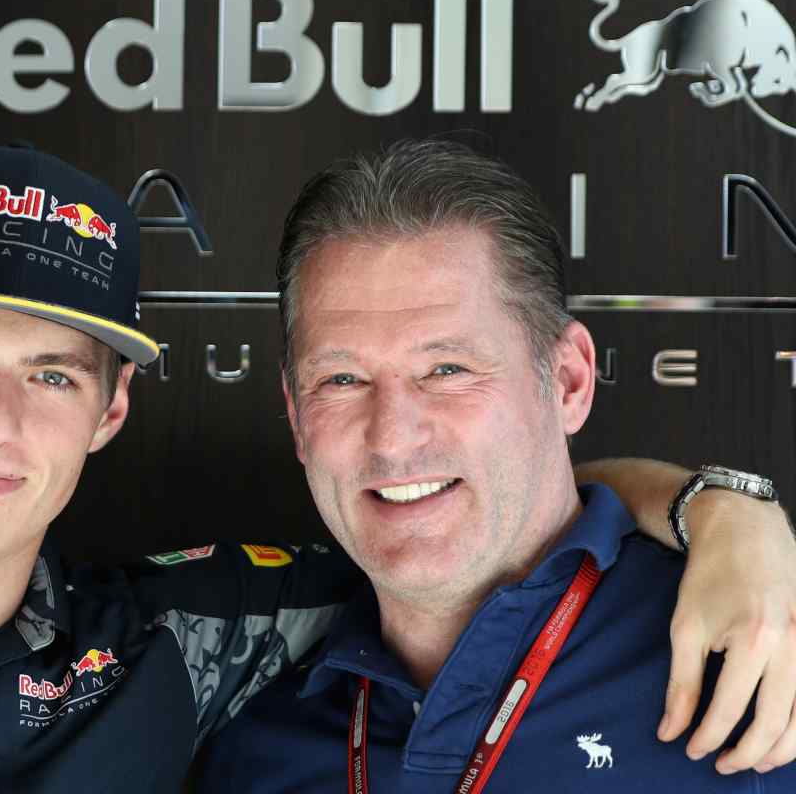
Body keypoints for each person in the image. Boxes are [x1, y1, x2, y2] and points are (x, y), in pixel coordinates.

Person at [0, 145, 790, 794]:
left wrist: (725, 508)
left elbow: (506, 515)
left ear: (113, 408)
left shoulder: (190, 636)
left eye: (54, 374)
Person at [196, 139, 796, 792]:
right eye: (341, 379)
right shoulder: (243, 720)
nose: (392, 438)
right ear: (294, 413)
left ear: (568, 380)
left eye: (447, 369)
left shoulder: (765, 658)